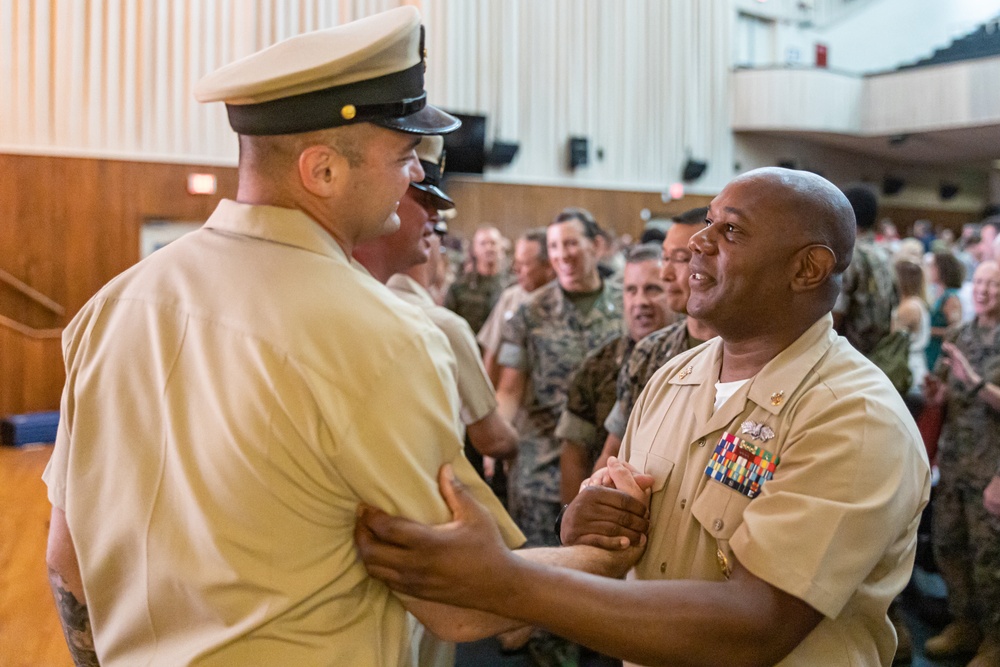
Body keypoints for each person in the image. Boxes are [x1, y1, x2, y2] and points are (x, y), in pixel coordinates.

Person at [42, 10, 532, 666]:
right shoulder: (382, 338)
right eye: (404, 154)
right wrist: (603, 555)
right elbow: (464, 600)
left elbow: (65, 560)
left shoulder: (113, 306)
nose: (415, 175)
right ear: (323, 171)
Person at [355, 167, 931, 667]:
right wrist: (586, 526)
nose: (698, 244)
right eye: (708, 221)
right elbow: (622, 536)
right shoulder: (674, 377)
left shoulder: (852, 417)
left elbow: (756, 624)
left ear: (808, 269)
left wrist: (510, 583)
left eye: (730, 230)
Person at [494, 207, 623, 665]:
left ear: (596, 246)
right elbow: (510, 387)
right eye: (554, 247)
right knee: (545, 583)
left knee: (599, 584)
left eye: (571, 243)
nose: (563, 254)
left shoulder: (626, 305)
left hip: (609, 464)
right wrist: (499, 443)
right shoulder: (530, 311)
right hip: (542, 464)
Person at [353, 135, 518, 472]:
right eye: (423, 202)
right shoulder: (440, 325)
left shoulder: (358, 298)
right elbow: (493, 439)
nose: (432, 219)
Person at [596, 207, 717, 471]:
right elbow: (614, 456)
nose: (665, 275)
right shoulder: (650, 352)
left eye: (682, 258)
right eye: (665, 259)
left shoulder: (748, 356)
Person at [922, 260, 1000, 666]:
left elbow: (976, 388)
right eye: (981, 282)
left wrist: (975, 382)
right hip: (954, 461)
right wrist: (937, 393)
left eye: (994, 284)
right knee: (950, 545)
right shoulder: (960, 334)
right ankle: (965, 625)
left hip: (993, 469)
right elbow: (946, 395)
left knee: (992, 561)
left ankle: (995, 640)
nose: (985, 290)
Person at [557, 243, 671, 505]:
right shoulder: (599, 364)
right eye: (631, 290)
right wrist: (572, 517)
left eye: (653, 289)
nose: (640, 301)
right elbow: (574, 452)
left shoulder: (692, 362)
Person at [478, 229, 556, 388]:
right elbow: (491, 352)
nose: (516, 270)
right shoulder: (511, 297)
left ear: (548, 266)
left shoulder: (562, 301)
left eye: (525, 264)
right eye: (516, 263)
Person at [833, 185, 898, 356]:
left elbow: (837, 313)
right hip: (877, 352)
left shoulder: (850, 255)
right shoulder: (885, 253)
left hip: (849, 353)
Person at [445, 225, 509, 334]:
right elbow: (448, 322)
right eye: (483, 243)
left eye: (493, 243)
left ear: (501, 247)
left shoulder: (510, 285)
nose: (489, 248)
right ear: (474, 249)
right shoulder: (460, 287)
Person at [892, 259, 931, 399]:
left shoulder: (909, 307)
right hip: (914, 367)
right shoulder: (916, 302)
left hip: (908, 371)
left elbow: (892, 337)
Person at [926, 250, 965, 370]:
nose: (930, 270)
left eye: (933, 266)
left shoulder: (951, 298)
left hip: (938, 353)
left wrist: (928, 331)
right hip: (930, 351)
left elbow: (955, 331)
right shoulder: (939, 293)